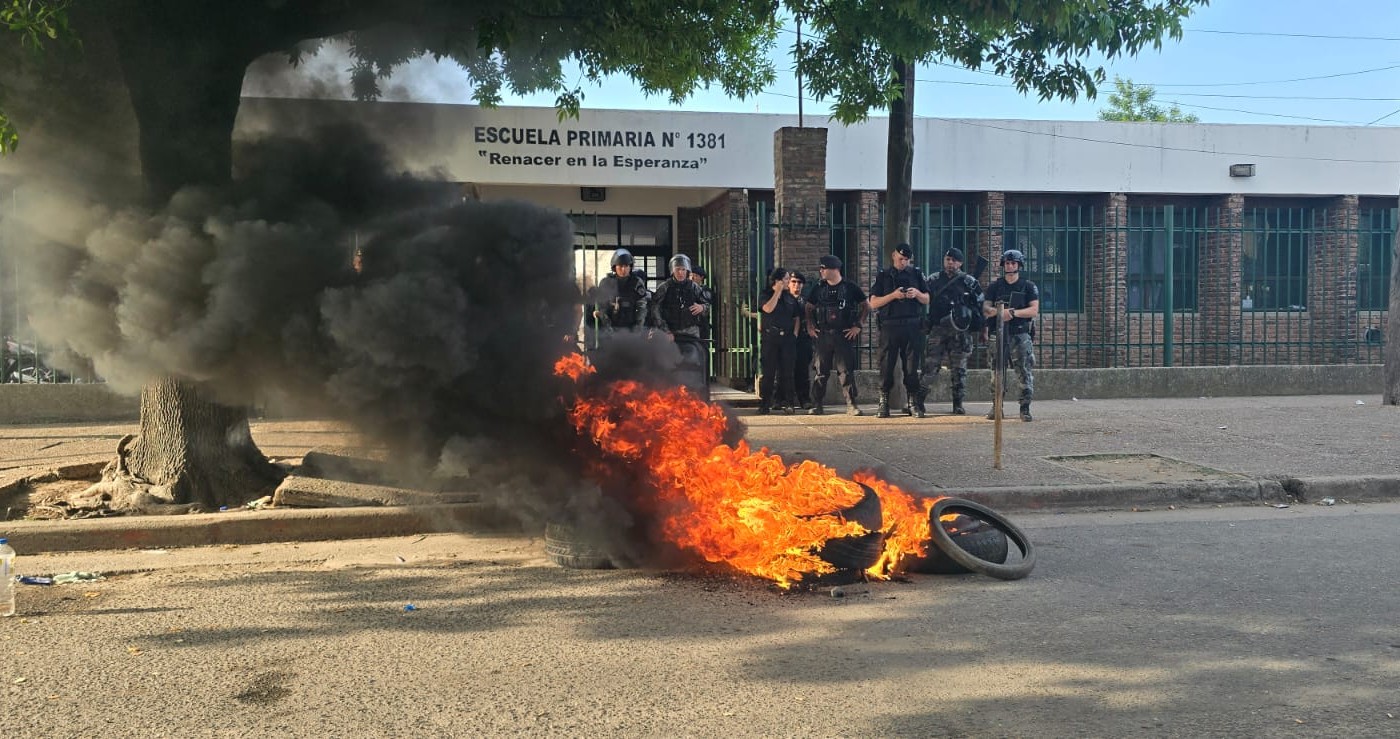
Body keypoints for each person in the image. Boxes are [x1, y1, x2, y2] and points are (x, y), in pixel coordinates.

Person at [919, 247, 984, 415]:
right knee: (931, 366)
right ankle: (919, 401)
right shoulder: (933, 280)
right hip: (938, 329)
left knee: (959, 369)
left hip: (960, 331)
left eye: (954, 260)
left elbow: (980, 306)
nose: (950, 263)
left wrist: (981, 327)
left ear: (960, 263)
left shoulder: (969, 281)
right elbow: (922, 298)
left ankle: (958, 403)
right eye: (948, 259)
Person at [868, 243, 928, 418]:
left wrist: (916, 293)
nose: (903, 262)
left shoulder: (916, 274)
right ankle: (883, 401)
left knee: (911, 367)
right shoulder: (883, 276)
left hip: (912, 325)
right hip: (890, 326)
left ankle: (912, 402)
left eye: (907, 260)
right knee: (886, 366)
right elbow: (873, 303)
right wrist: (893, 295)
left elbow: (926, 299)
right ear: (893, 255)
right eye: (901, 259)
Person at [806, 255, 867, 416]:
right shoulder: (819, 288)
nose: (821, 271)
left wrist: (858, 326)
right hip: (824, 335)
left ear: (834, 269)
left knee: (846, 371)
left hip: (843, 334)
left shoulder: (850, 287)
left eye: (823, 268)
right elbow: (808, 307)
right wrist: (810, 326)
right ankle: (817, 404)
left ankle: (851, 404)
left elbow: (865, 306)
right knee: (821, 371)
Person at [983, 248, 1040, 422]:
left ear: (1019, 265)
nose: (1009, 266)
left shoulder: (1028, 286)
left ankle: (1025, 408)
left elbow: (1034, 310)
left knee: (1024, 371)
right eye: (1007, 263)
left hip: (1019, 333)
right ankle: (996, 406)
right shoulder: (995, 286)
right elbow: (985, 309)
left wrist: (1013, 313)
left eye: (1013, 263)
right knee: (996, 371)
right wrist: (1000, 312)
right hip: (998, 333)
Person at [650, 254, 710, 392]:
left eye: (683, 269)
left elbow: (707, 305)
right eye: (678, 269)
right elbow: (654, 309)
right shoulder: (664, 287)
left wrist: (702, 308)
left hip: (691, 332)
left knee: (693, 361)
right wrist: (665, 330)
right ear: (672, 271)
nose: (681, 273)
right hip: (670, 332)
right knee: (667, 364)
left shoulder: (695, 287)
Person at [756, 267, 800, 415]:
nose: (789, 282)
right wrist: (777, 292)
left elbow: (796, 318)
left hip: (787, 339)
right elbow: (767, 309)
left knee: (787, 373)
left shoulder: (790, 298)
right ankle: (765, 403)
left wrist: (794, 334)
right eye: (786, 279)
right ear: (778, 281)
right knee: (768, 373)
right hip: (770, 338)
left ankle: (789, 403)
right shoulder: (765, 294)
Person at [588, 248, 650, 335]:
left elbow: (641, 307)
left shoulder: (636, 282)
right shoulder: (606, 282)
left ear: (630, 267)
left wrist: (637, 327)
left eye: (626, 266)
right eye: (620, 266)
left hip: (631, 329)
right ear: (614, 267)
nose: (623, 269)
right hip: (609, 329)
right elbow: (601, 306)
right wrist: (606, 323)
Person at [788, 271, 814, 410]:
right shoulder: (783, 300)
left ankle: (804, 399)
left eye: (799, 282)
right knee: (785, 371)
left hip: (803, 340)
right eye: (793, 282)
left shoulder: (806, 302)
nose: (796, 285)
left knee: (802, 371)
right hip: (785, 340)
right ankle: (785, 400)